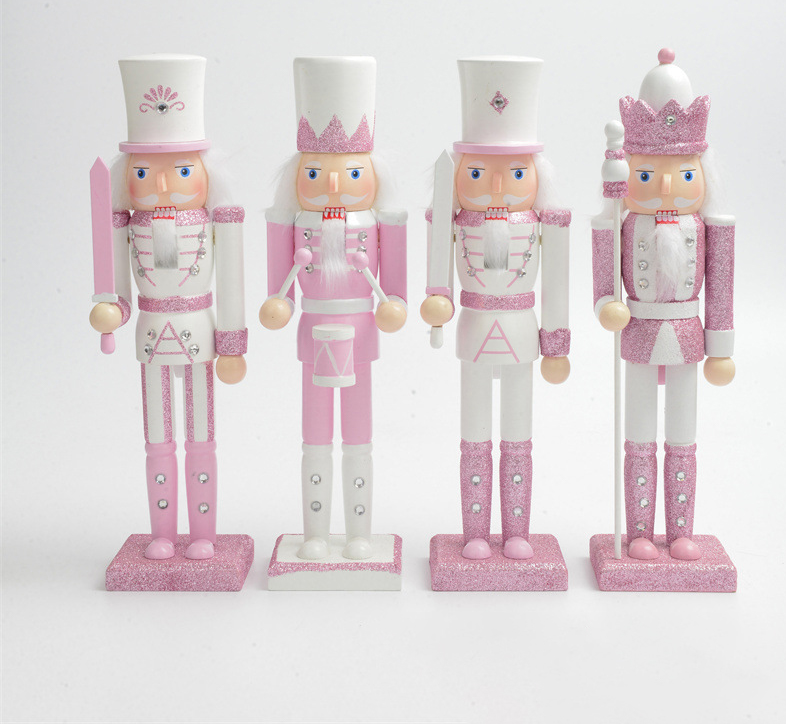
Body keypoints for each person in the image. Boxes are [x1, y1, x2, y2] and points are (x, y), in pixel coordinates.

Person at [90, 54, 246, 561]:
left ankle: (202, 534)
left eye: (180, 170)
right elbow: (117, 284)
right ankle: (161, 532)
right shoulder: (128, 224)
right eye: (143, 171)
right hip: (152, 334)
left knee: (201, 437)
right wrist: (112, 310)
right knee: (157, 438)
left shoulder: (213, 222)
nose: (161, 185)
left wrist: (232, 344)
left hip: (199, 332)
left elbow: (232, 283)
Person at [422, 57, 570, 561]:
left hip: (523, 331)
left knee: (519, 434)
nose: (499, 187)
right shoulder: (455, 221)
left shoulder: (542, 224)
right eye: (479, 172)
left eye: (517, 172)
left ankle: (517, 532)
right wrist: (437, 300)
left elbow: (557, 285)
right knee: (474, 434)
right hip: (473, 328)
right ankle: (476, 533)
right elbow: (438, 270)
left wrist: (557, 343)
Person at [260, 56, 406, 561]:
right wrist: (278, 305)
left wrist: (394, 306)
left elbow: (395, 292)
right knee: (315, 435)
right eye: (316, 173)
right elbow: (277, 295)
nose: (335, 185)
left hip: (361, 329)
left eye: (353, 172)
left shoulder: (380, 222)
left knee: (360, 435)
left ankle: (360, 533)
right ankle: (316, 534)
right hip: (314, 329)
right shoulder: (291, 222)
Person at [592, 49, 735, 561]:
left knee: (682, 434)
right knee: (638, 433)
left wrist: (722, 347)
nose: (669, 186)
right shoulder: (620, 223)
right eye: (649, 175)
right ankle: (638, 533)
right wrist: (606, 305)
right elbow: (603, 280)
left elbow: (722, 288)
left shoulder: (709, 227)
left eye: (684, 175)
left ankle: (679, 533)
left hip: (688, 335)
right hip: (639, 331)